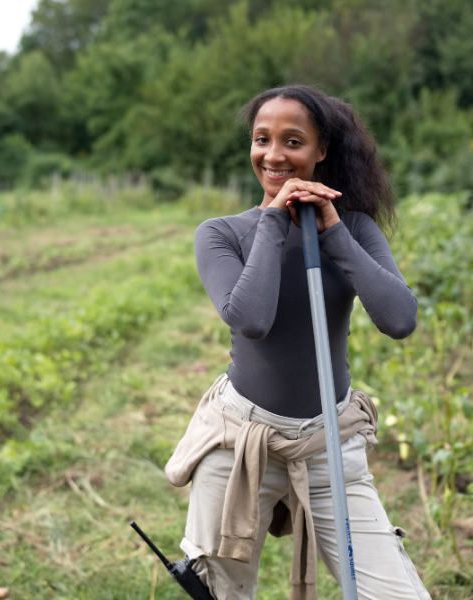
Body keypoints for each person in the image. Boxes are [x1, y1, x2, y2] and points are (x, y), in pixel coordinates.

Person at [164, 85, 431, 600]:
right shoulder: (221, 233)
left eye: (293, 141)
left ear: (321, 151)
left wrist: (331, 232)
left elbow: (399, 319)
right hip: (239, 440)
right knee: (222, 592)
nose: (274, 154)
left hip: (330, 440)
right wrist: (273, 220)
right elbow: (251, 319)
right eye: (262, 139)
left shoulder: (354, 227)